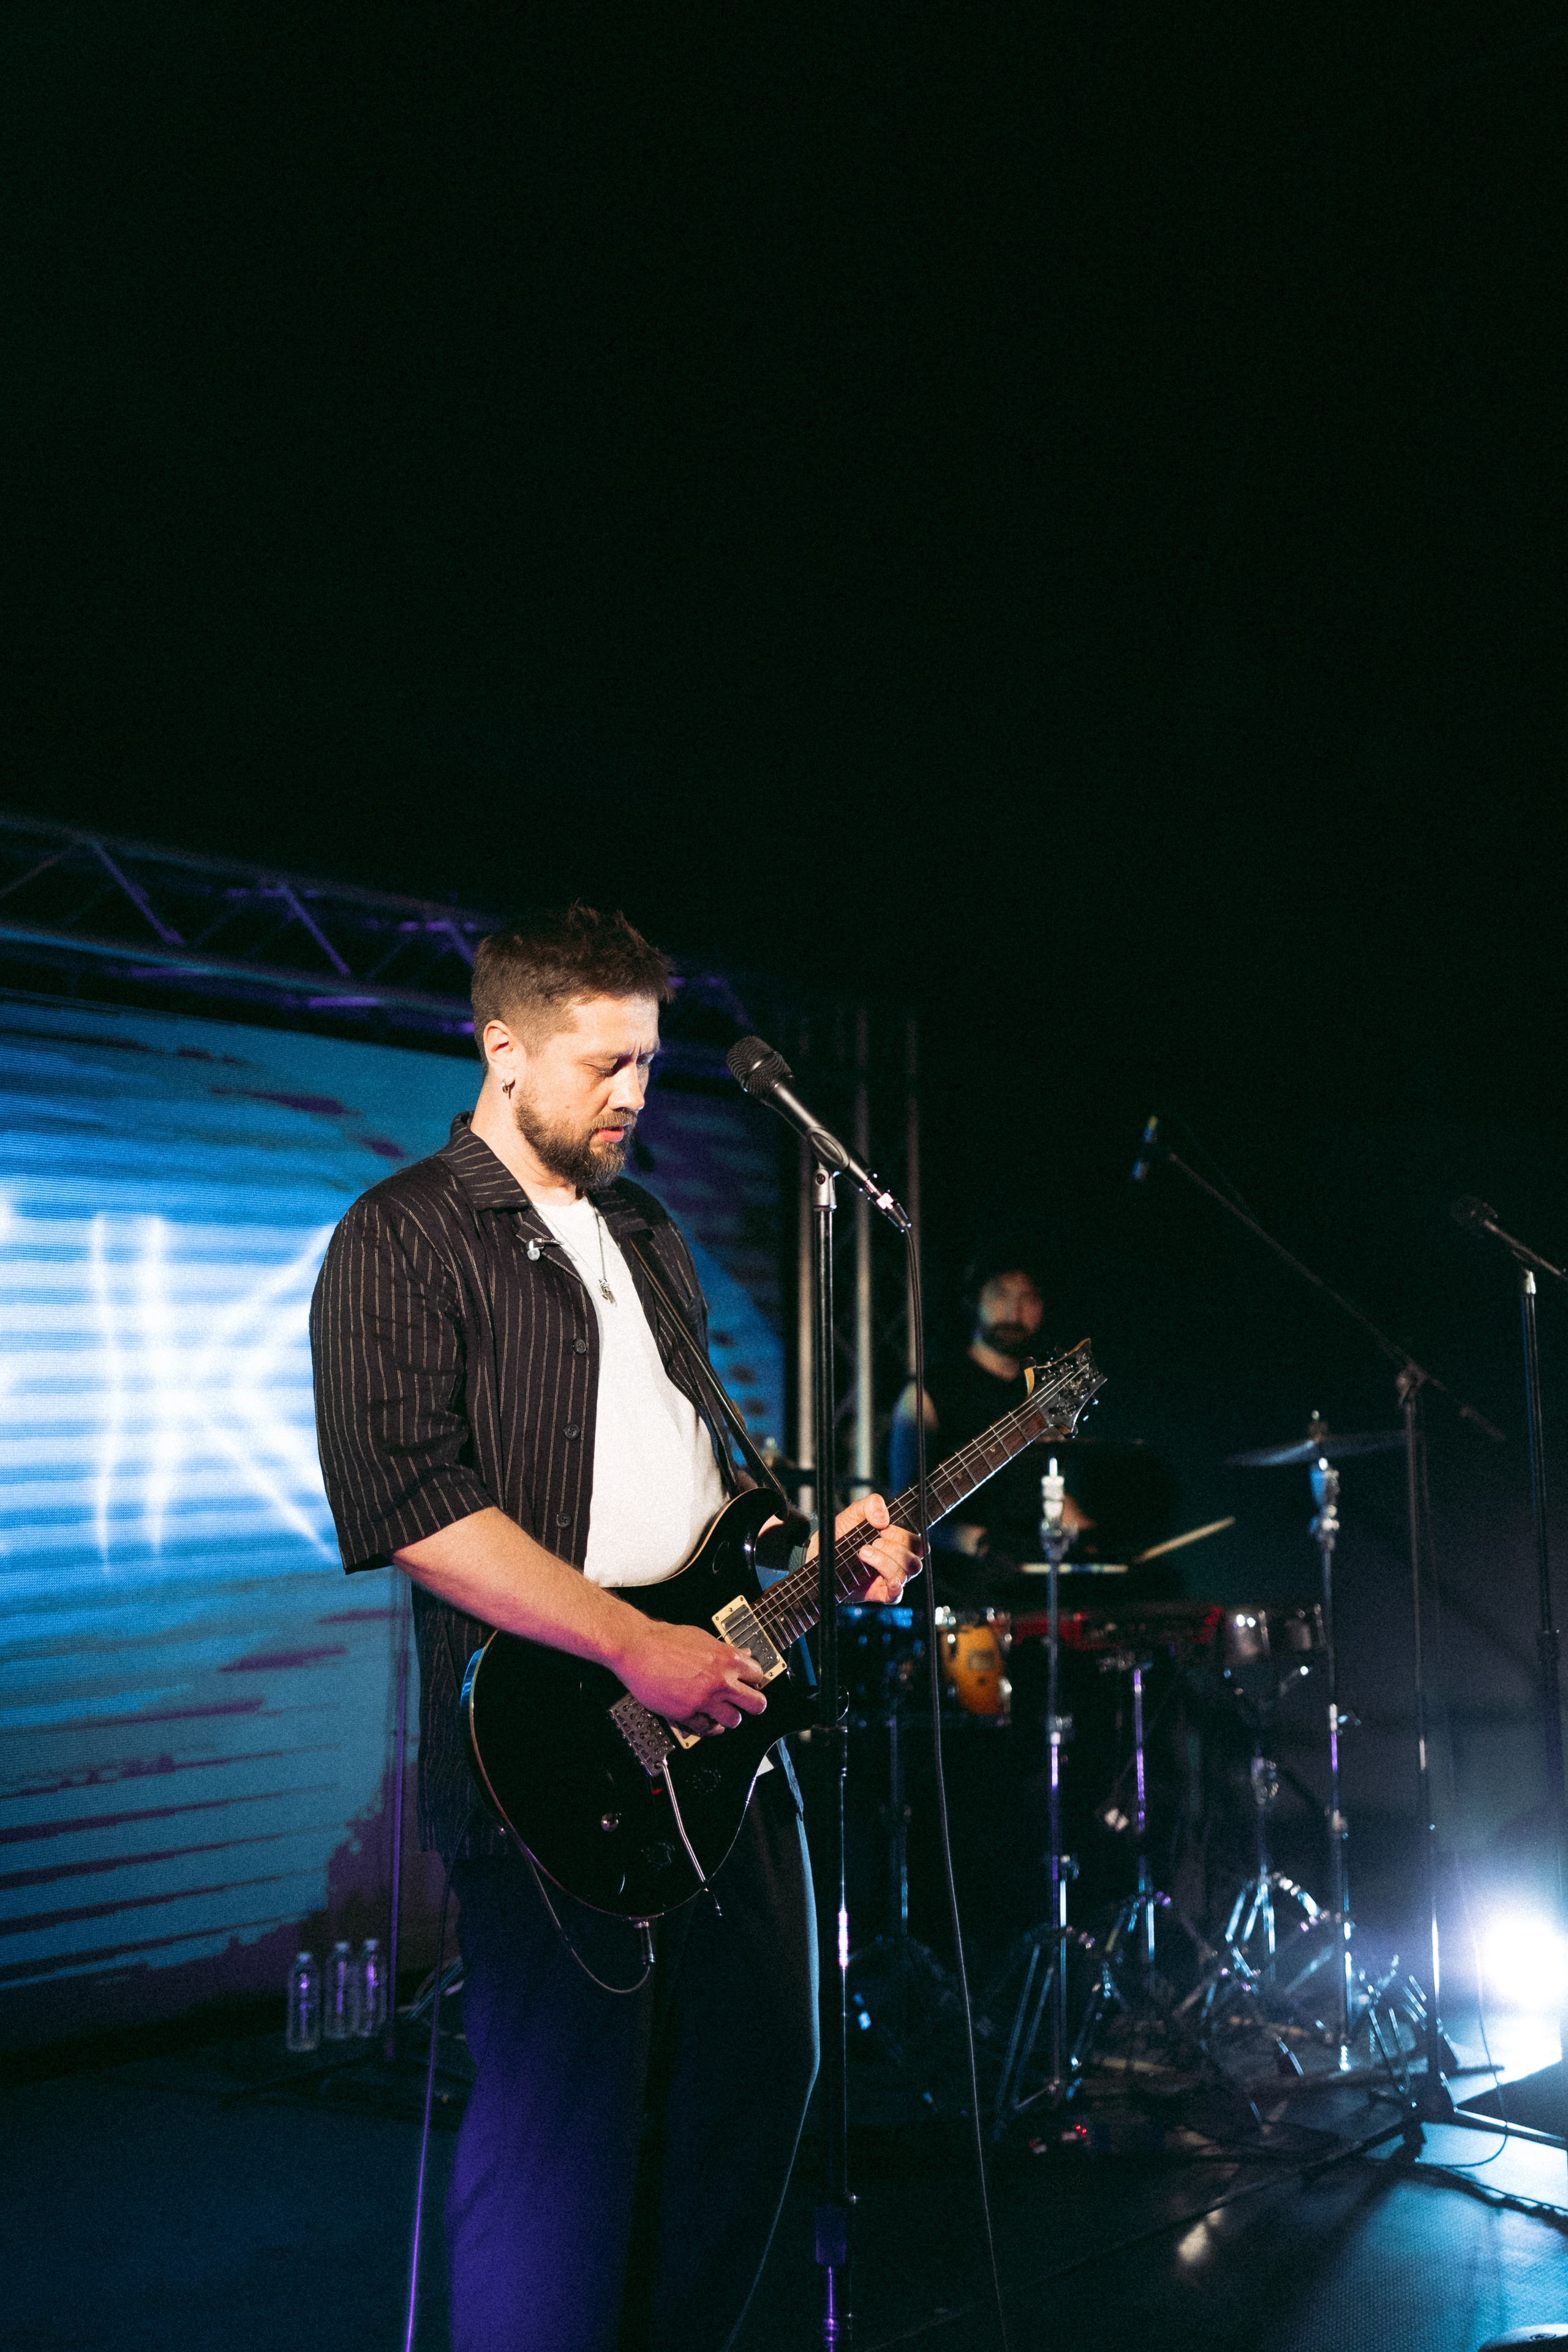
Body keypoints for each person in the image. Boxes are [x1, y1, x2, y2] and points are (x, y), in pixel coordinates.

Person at [308, 905, 921, 2352]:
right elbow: (407, 1499)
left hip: (717, 1733)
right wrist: (624, 1643)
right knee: (567, 2147)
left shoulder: (646, 1230)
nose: (635, 1094)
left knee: (761, 2072)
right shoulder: (401, 1234)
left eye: (648, 1060)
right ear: (503, 1048)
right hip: (548, 1753)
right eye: (602, 1064)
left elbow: (695, 1484)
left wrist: (814, 1541)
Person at [889, 1264, 1090, 1594]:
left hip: (1036, 1577)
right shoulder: (927, 1393)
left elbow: (1051, 1495)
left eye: (1028, 1298)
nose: (1014, 1311)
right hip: (958, 1586)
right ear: (974, 1300)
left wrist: (1094, 1537)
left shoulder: (1047, 1396)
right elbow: (905, 1513)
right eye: (1000, 1294)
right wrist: (977, 1541)